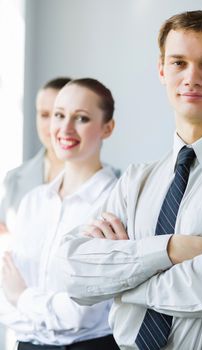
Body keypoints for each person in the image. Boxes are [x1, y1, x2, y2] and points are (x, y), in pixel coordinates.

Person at [57, 10, 202, 350]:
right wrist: (170, 249)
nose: (192, 77)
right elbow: (71, 273)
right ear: (161, 70)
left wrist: (123, 285)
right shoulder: (136, 180)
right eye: (179, 63)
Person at [0, 78, 120, 349]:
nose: (65, 128)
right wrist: (24, 303)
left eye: (81, 118)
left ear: (107, 128)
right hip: (28, 345)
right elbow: (3, 297)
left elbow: (80, 314)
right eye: (58, 115)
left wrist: (23, 298)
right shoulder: (33, 202)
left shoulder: (114, 203)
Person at [0, 77, 71, 234]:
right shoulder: (12, 179)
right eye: (44, 114)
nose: (52, 125)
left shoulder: (110, 184)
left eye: (60, 114)